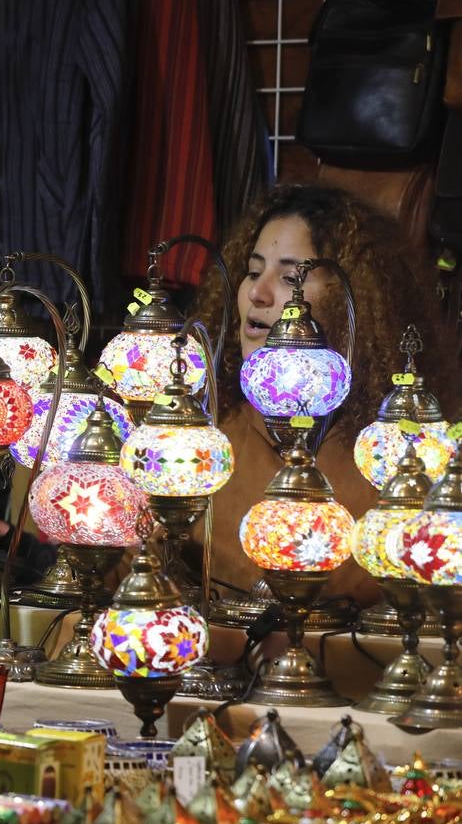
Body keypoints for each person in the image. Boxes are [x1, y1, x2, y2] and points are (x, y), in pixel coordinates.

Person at [192, 183, 458, 610]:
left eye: (291, 277)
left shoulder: (395, 455)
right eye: (252, 270)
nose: (259, 294)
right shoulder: (198, 448)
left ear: (354, 298)